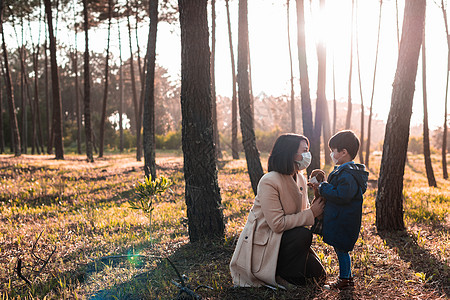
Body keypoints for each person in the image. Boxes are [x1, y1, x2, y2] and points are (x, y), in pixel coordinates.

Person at [229, 133, 326, 289]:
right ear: (291, 153)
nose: (308, 154)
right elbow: (277, 224)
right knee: (303, 234)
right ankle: (281, 276)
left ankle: (290, 272)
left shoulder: (300, 178)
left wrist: (318, 205)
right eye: (304, 150)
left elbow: (303, 212)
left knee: (319, 275)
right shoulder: (269, 180)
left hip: (288, 239)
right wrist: (311, 214)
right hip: (268, 241)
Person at [316, 130, 369, 290]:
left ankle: (344, 279)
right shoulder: (348, 171)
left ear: (343, 152)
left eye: (333, 151)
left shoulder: (348, 174)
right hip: (342, 218)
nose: (332, 154)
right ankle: (347, 277)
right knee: (341, 249)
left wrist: (323, 187)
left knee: (342, 250)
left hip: (343, 220)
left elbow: (342, 195)